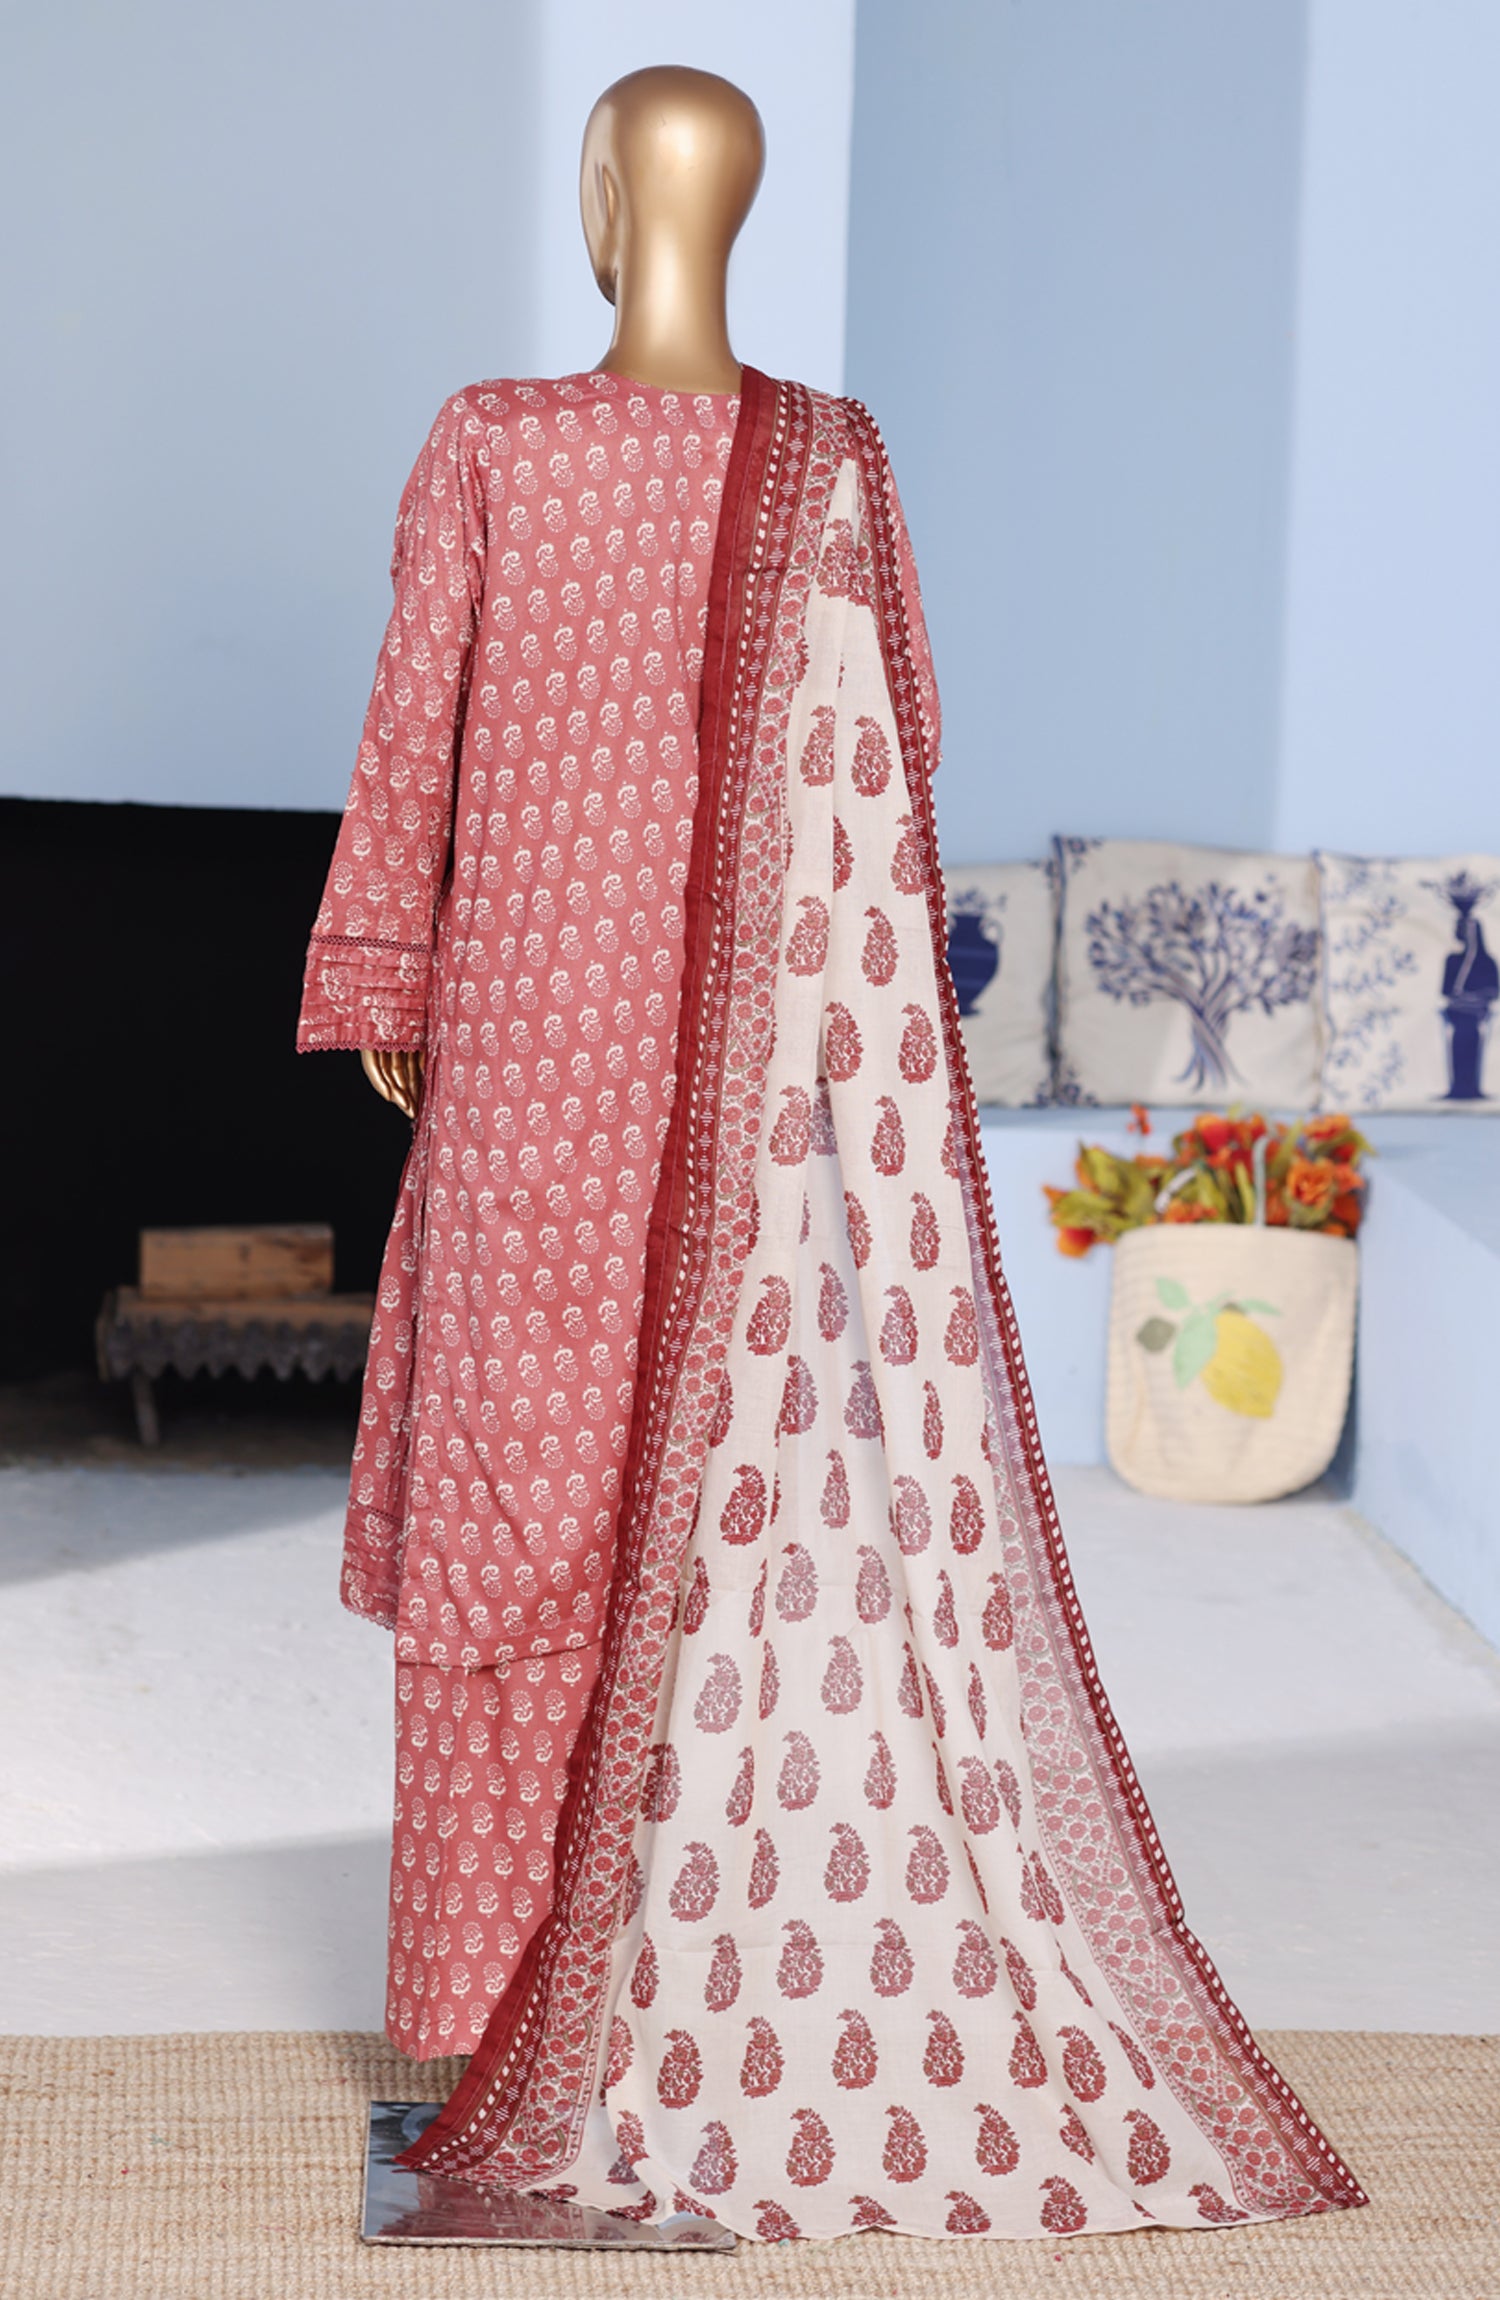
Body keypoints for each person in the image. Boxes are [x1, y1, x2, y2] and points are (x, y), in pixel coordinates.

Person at [299, 65, 1365, 2243]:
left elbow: (419, 722)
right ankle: (658, 2015)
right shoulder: (835, 460)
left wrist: (390, 977)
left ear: (609, 201)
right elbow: (904, 753)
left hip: (525, 1057)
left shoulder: (495, 439)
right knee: (702, 1502)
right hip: (752, 1086)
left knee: (512, 1496)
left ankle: (490, 2029)